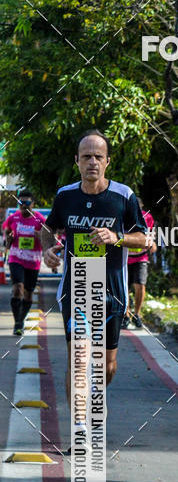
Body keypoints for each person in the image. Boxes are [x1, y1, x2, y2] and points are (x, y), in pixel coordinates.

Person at [42, 129, 148, 448]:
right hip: (76, 290)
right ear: (76, 161)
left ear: (107, 162)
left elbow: (145, 239)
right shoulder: (65, 196)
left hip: (112, 292)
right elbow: (48, 228)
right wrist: (48, 249)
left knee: (106, 366)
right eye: (86, 156)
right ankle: (79, 428)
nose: (92, 162)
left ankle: (96, 393)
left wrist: (117, 237)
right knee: (79, 359)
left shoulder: (123, 196)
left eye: (97, 157)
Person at [2, 192, 46, 335]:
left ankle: (21, 319)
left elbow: (49, 241)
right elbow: (7, 236)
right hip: (16, 258)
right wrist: (8, 239)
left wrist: (41, 237)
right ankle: (18, 323)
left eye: (27, 203)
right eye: (21, 203)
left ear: (33, 204)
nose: (23, 206)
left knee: (28, 294)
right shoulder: (13, 218)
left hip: (33, 261)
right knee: (17, 288)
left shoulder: (40, 219)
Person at [123, 203, 156, 329]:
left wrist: (152, 243)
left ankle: (137, 314)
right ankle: (126, 315)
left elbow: (151, 234)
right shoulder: (122, 215)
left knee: (140, 285)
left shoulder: (147, 217)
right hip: (124, 259)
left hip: (141, 258)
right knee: (125, 288)